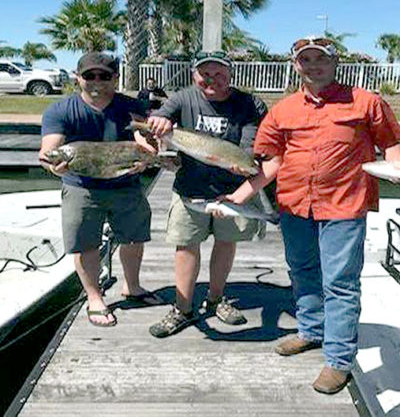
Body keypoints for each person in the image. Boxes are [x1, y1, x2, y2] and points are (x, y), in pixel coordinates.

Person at [223, 36, 400, 394]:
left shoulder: (367, 102)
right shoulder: (283, 110)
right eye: (306, 60)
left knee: (339, 283)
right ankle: (311, 330)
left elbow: (392, 143)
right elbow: (271, 162)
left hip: (344, 205)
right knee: (302, 271)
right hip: (294, 204)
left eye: (321, 59)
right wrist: (239, 196)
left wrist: (395, 169)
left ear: (335, 64)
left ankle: (338, 360)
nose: (314, 65)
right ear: (296, 66)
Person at [146, 50, 268, 338]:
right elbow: (161, 116)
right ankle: (182, 308)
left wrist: (244, 167)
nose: (212, 79)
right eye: (205, 74)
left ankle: (215, 299)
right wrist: (159, 124)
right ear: (194, 75)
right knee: (186, 245)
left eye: (219, 73)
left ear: (231, 74)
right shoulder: (183, 97)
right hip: (191, 189)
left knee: (226, 243)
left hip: (233, 190)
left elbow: (250, 145)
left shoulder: (249, 103)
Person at [39, 52, 156, 327]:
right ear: (78, 78)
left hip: (126, 183)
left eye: (104, 76)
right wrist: (52, 164)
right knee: (85, 243)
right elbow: (49, 151)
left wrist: (148, 155)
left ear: (116, 78)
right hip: (81, 187)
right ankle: (94, 297)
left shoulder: (132, 106)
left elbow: (144, 138)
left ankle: (133, 286)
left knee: (134, 238)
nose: (97, 81)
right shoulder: (61, 110)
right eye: (89, 75)